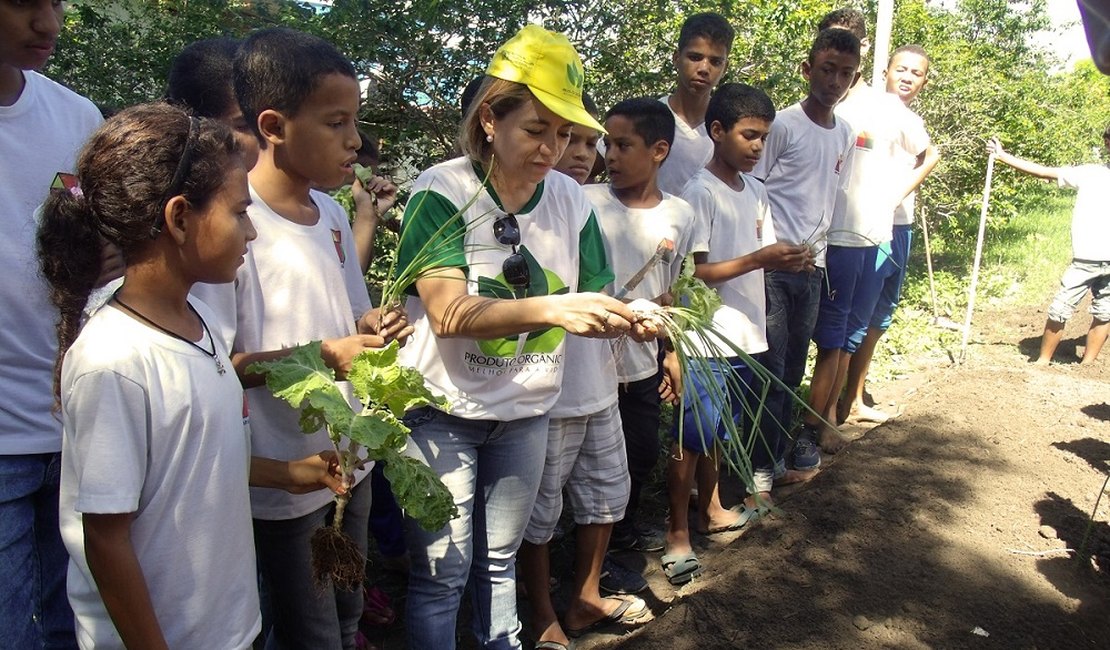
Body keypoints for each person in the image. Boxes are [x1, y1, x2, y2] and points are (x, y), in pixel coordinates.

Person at [39, 103, 347, 650]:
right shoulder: (115, 362)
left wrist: (287, 473)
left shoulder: (197, 322)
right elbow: (105, 540)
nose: (252, 232)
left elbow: (187, 463)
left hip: (227, 625)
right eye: (239, 213)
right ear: (180, 218)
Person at [394, 25, 648, 650]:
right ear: (490, 119)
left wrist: (635, 315)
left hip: (526, 412)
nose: (551, 149)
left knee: (499, 560)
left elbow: (598, 294)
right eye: (536, 130)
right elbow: (449, 314)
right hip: (443, 412)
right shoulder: (442, 190)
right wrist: (558, 312)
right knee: (441, 577)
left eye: (562, 134)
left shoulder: (571, 199)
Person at [219, 28, 410, 649]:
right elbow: (221, 363)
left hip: (349, 457)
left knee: (350, 611)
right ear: (273, 125)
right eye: (336, 123)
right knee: (310, 630)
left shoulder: (330, 214)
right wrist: (325, 355)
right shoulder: (229, 221)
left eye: (355, 121)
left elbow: (350, 316)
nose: (355, 141)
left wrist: (371, 329)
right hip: (286, 475)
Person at [663, 83, 814, 585]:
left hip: (746, 332)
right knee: (693, 434)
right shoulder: (698, 193)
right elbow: (693, 272)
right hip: (707, 335)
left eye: (764, 138)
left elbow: (764, 250)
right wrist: (759, 259)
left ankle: (714, 509)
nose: (757, 147)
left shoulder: (756, 191)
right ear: (718, 131)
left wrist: (789, 255)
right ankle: (677, 532)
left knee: (721, 431)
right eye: (749, 135)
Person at [517, 93, 653, 650]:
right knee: (538, 514)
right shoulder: (514, 203)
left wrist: (631, 316)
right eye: (564, 138)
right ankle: (542, 613)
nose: (576, 152)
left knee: (605, 495)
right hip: (541, 395)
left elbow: (598, 288)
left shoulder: (580, 206)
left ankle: (586, 596)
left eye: (587, 141)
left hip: (595, 385)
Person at [0, 1, 102, 646]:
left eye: (56, 3)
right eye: (23, 2)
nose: (49, 23)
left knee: (74, 626)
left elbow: (101, 251)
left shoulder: (76, 117)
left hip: (75, 426)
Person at [804, 10, 933, 452]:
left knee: (847, 334)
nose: (836, 74)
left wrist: (892, 197)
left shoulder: (882, 108)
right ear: (814, 59)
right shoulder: (812, 111)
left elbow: (926, 155)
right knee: (821, 336)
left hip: (867, 237)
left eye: (847, 62)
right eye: (829, 60)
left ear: (859, 62)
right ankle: (809, 424)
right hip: (823, 240)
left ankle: (828, 418)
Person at [589, 98, 692, 558]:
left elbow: (670, 291)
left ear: (659, 150)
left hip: (641, 364)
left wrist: (670, 352)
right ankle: (585, 550)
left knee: (641, 452)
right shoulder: (585, 201)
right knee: (589, 465)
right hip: (588, 363)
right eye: (607, 144)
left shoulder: (680, 215)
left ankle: (623, 535)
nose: (609, 155)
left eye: (623, 145)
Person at [752, 28, 859, 472]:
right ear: (807, 69)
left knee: (793, 369)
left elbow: (829, 198)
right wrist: (767, 248)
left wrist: (821, 258)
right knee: (769, 370)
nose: (835, 81)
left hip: (812, 270)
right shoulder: (784, 125)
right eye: (827, 69)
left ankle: (775, 460)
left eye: (845, 74)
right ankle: (756, 465)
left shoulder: (846, 134)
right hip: (774, 268)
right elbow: (753, 186)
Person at [840, 44, 941, 422]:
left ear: (924, 82)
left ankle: (853, 398)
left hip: (899, 226)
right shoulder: (866, 107)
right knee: (856, 314)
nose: (907, 77)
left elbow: (930, 155)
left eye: (916, 73)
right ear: (886, 71)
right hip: (865, 229)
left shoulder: (909, 119)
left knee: (880, 314)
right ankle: (842, 401)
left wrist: (897, 194)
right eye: (902, 69)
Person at [988, 127, 1110, 365]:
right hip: (1085, 259)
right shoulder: (1090, 173)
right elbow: (1044, 171)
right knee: (1060, 309)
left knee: (1105, 313)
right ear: (1107, 143)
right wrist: (1003, 156)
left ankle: (1087, 365)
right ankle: (1043, 361)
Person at [656, 12, 734, 196]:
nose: (704, 69)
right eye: (695, 57)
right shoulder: (648, 118)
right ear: (676, 58)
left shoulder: (730, 129)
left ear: (725, 68)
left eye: (715, 61)